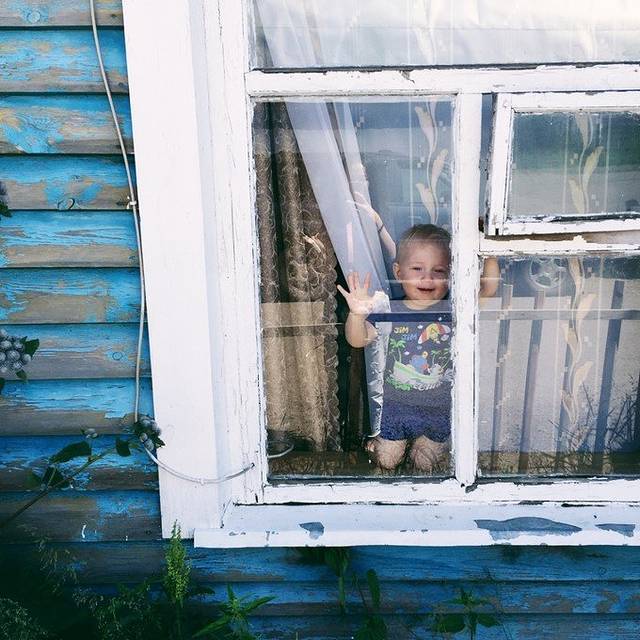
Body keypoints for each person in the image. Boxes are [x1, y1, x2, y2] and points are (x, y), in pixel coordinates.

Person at [337, 223, 499, 472]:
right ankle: (377, 447)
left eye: (439, 270)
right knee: (387, 460)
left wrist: (488, 248)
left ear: (451, 274)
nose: (428, 278)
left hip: (439, 408)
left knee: (425, 464)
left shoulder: (454, 309)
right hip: (396, 406)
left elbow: (487, 288)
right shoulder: (391, 310)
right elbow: (358, 340)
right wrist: (357, 315)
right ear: (398, 272)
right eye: (417, 269)